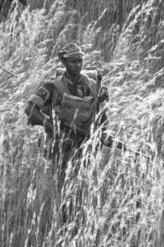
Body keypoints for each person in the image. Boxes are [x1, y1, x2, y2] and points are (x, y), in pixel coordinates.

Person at [24, 43, 109, 190]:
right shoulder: (52, 86)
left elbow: (103, 116)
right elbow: (30, 109)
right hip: (60, 144)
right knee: (62, 185)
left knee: (82, 186)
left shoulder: (94, 86)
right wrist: (54, 129)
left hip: (84, 143)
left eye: (80, 61)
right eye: (73, 61)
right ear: (64, 62)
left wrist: (103, 134)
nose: (77, 65)